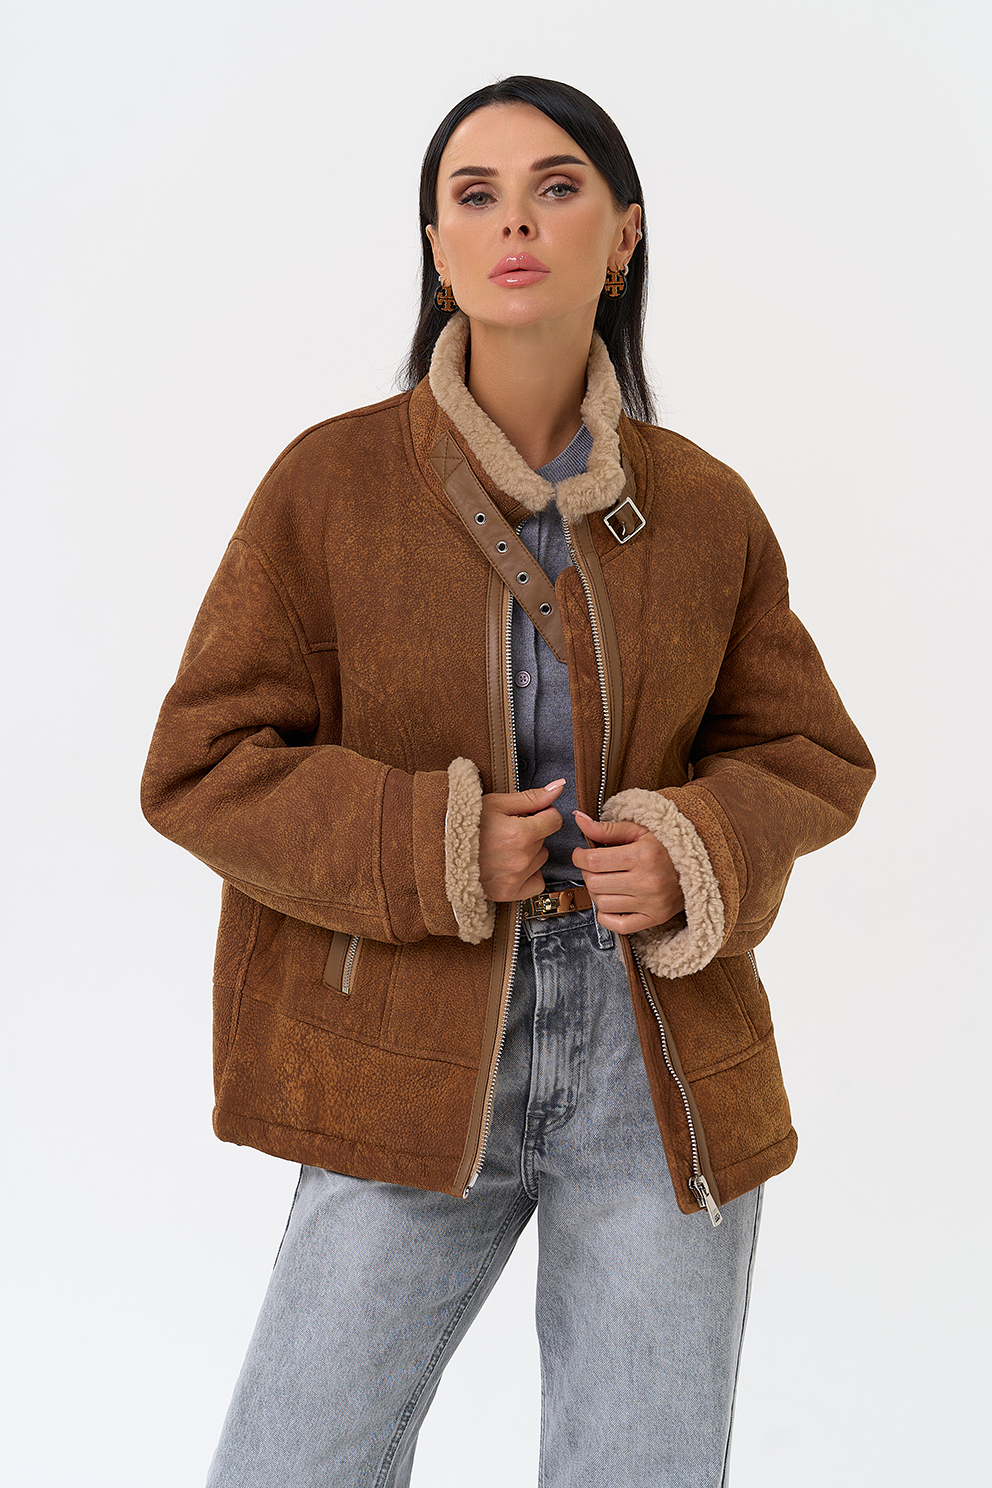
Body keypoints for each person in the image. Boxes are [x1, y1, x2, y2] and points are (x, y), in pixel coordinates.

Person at [141, 75, 874, 1488]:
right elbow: (202, 766)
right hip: (401, 1051)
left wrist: (695, 847)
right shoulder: (330, 486)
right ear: (438, 248)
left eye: (556, 187)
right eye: (475, 195)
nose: (514, 221)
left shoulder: (704, 507)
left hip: (655, 1065)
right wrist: (436, 844)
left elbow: (809, 755)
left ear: (624, 237)